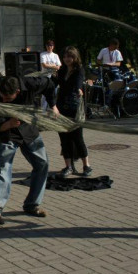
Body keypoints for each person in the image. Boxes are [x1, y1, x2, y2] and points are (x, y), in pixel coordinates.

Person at [0, 75, 56, 225]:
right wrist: (9, 124)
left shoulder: (31, 84)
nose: (4, 101)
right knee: (3, 168)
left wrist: (53, 105)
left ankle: (32, 205)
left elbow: (49, 84)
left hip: (29, 131)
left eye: (8, 98)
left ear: (17, 91)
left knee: (42, 164)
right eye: (2, 97)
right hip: (9, 133)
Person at [54, 46, 92, 178]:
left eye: (69, 56)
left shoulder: (79, 70)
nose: (67, 59)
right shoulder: (62, 70)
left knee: (77, 137)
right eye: (65, 57)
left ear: (75, 57)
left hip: (74, 108)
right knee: (64, 139)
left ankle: (86, 165)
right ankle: (68, 166)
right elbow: (56, 84)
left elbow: (76, 85)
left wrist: (79, 89)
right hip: (61, 107)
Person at [40, 39, 61, 110]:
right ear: (46, 46)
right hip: (45, 77)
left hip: (54, 77)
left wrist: (51, 65)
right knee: (44, 95)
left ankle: (51, 109)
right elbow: (44, 65)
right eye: (48, 45)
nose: (50, 47)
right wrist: (54, 66)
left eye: (51, 46)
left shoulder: (55, 55)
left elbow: (58, 66)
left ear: (53, 47)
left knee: (53, 93)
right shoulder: (43, 54)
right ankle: (43, 110)